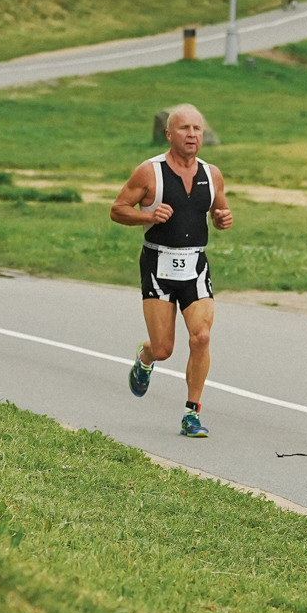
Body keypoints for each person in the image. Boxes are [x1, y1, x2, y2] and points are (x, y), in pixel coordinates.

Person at [112, 104, 232, 439]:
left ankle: (191, 414)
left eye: (197, 129)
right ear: (169, 134)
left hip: (195, 264)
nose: (193, 135)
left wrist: (222, 219)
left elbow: (220, 210)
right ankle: (146, 356)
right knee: (164, 348)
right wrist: (147, 216)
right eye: (184, 129)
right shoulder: (149, 172)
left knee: (202, 336)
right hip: (158, 264)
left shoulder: (212, 174)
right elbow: (118, 209)